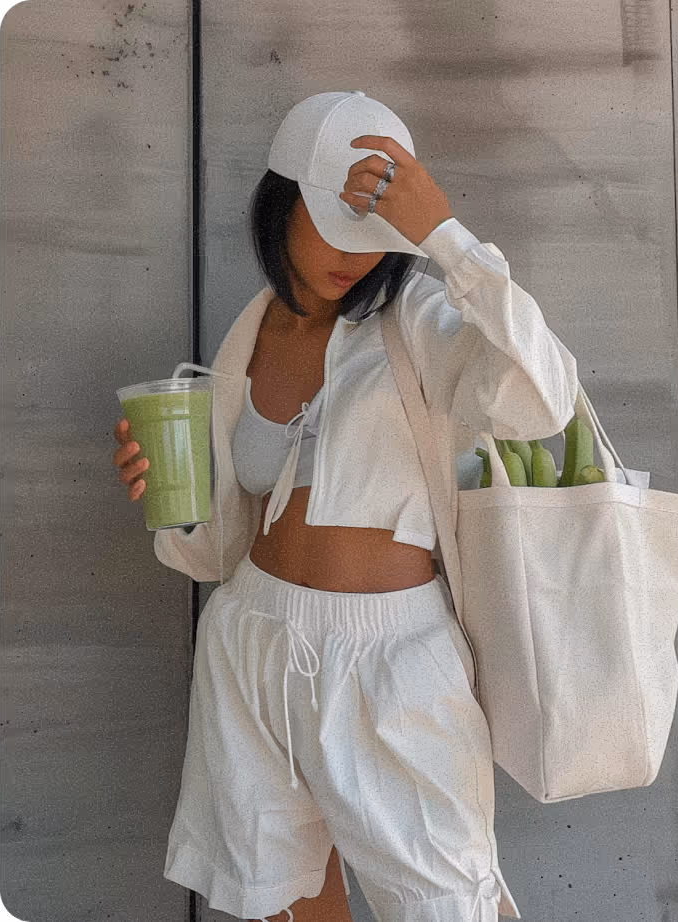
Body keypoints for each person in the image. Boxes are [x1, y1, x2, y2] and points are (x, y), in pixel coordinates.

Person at [113, 91, 579, 922]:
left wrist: (445, 238)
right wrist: (166, 499)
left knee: (445, 903)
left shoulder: (420, 321)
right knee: (286, 906)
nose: (355, 256)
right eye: (333, 222)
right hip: (251, 637)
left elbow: (542, 399)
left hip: (391, 659)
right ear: (280, 203)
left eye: (379, 236)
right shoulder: (243, 341)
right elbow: (213, 552)